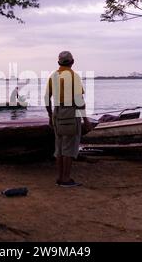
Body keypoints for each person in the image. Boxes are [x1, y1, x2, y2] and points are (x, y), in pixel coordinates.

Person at [45, 51, 92, 188]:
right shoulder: (73, 77)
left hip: (56, 113)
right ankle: (66, 179)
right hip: (70, 113)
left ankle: (60, 178)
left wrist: (50, 116)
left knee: (59, 148)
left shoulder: (53, 76)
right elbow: (79, 100)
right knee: (69, 148)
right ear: (72, 62)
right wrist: (86, 120)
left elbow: (47, 99)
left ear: (59, 62)